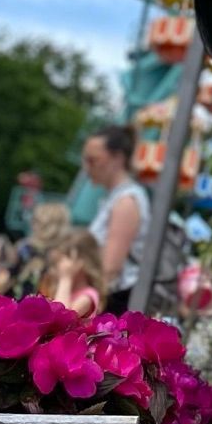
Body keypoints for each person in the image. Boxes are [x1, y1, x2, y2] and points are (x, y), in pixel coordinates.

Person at [82, 126, 151, 315]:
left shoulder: (126, 201)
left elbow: (110, 268)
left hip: (115, 304)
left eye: (93, 160)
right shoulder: (117, 198)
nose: (87, 168)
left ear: (117, 158)